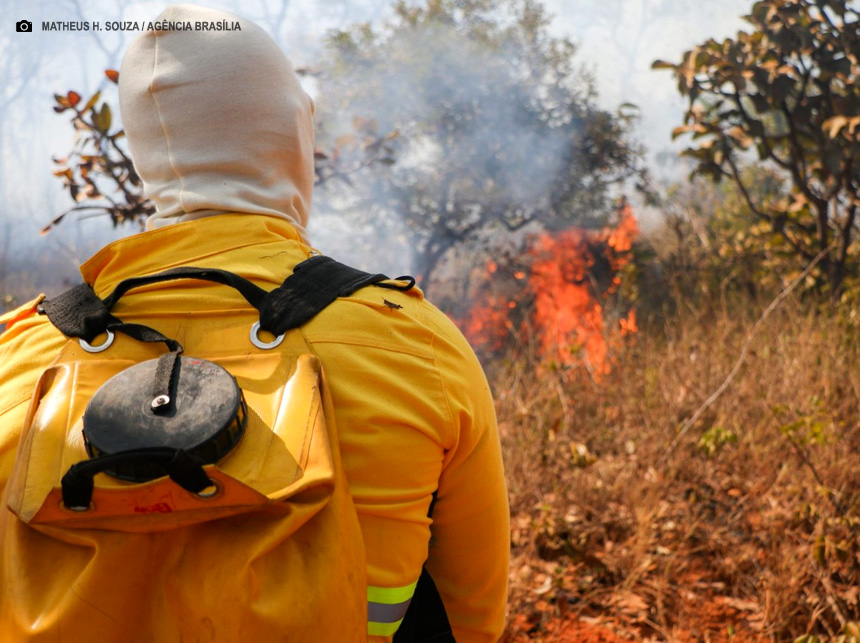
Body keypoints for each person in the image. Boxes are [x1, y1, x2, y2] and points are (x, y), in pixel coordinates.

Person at [0, 4, 509, 642]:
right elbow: (476, 618)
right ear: (292, 133)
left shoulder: (16, 358)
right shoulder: (414, 345)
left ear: (145, 156)